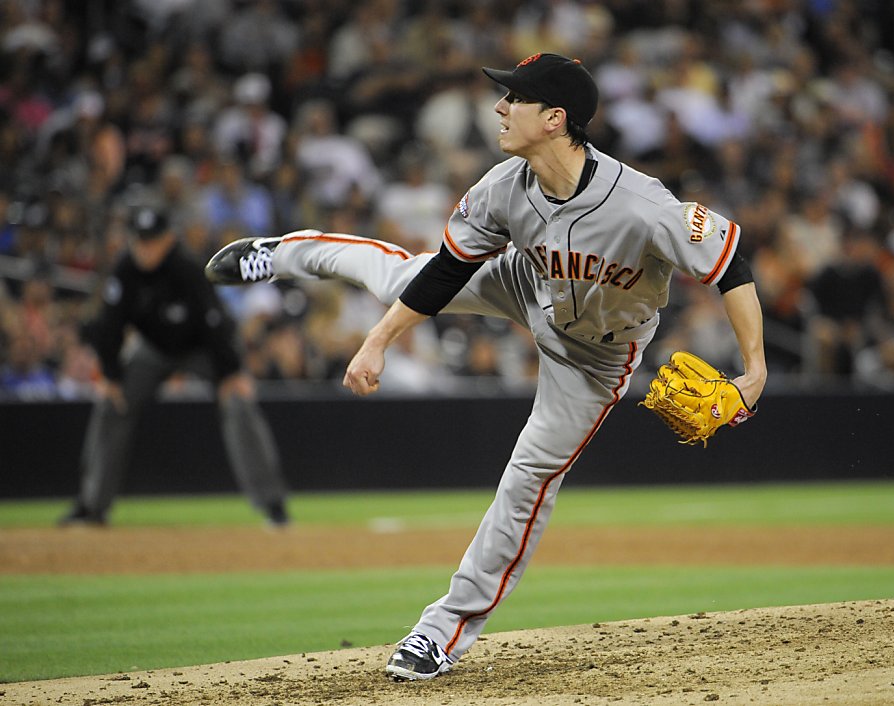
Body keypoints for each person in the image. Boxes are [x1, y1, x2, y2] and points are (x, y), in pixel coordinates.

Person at [206, 53, 766, 680]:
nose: (499, 107)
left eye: (514, 99)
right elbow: (446, 273)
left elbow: (729, 261)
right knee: (404, 274)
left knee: (527, 478)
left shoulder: (642, 203)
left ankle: (439, 631)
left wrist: (754, 371)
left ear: (555, 119)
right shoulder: (504, 186)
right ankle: (285, 252)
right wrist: (379, 339)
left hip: (597, 356)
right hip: (526, 283)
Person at [59, 204, 290, 527]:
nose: (145, 248)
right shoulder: (126, 269)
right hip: (151, 349)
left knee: (239, 402)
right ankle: (92, 505)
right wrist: (111, 376)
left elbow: (215, 324)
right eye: (139, 240)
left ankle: (273, 504)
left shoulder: (187, 267)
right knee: (111, 403)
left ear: (168, 239)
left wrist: (231, 373)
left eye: (152, 240)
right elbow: (108, 325)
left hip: (201, 349)